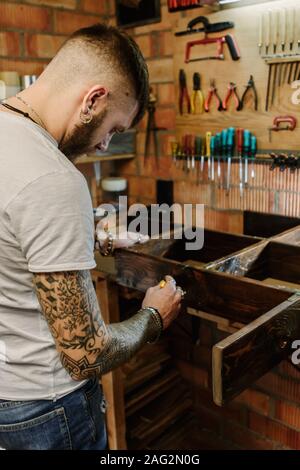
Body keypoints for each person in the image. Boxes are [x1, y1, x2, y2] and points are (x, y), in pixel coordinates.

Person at [0, 23, 182, 450]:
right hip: (49, 412)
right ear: (93, 98)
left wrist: (84, 231)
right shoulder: (53, 179)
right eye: (114, 127)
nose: (104, 146)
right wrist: (152, 317)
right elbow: (86, 354)